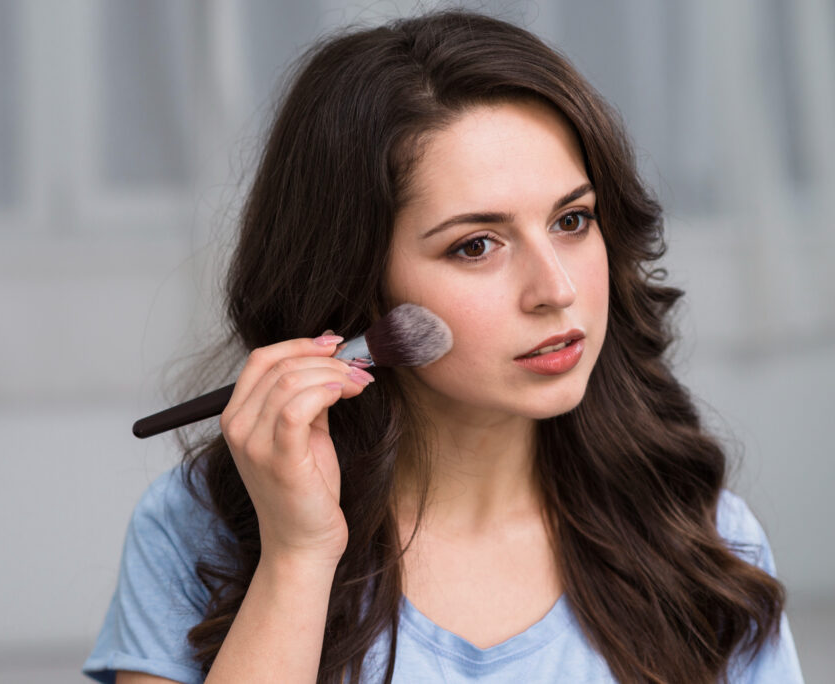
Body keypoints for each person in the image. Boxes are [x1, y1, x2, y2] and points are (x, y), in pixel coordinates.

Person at [83, 10, 803, 683]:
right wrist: (298, 557)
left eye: (573, 220)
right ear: (362, 283)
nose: (554, 288)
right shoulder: (194, 533)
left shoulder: (700, 536)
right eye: (476, 245)